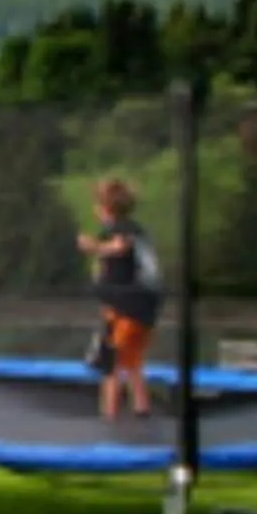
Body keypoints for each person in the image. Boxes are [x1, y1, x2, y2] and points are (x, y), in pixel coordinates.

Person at [78, 178, 163, 420]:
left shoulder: (120, 229)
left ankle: (110, 415)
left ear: (105, 208)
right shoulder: (137, 230)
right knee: (133, 361)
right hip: (141, 306)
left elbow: (119, 247)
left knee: (111, 364)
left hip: (129, 306)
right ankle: (141, 407)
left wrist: (92, 247)